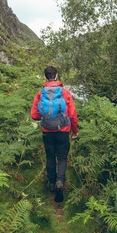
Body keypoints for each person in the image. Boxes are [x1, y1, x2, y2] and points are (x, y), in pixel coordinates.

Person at [31, 66, 78, 202]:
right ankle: (60, 182)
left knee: (50, 157)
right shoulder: (65, 93)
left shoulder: (40, 94)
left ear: (45, 77)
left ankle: (52, 184)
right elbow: (73, 115)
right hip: (63, 131)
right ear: (56, 76)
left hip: (47, 132)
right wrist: (75, 131)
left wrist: (46, 117)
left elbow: (34, 115)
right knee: (62, 158)